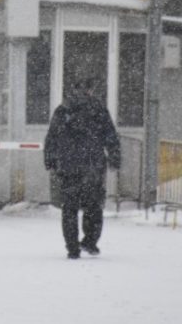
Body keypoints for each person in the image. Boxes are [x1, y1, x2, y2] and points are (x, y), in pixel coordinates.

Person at [43, 79, 121, 259]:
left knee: (69, 208)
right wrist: (114, 158)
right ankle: (90, 241)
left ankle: (72, 247)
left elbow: (52, 137)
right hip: (93, 166)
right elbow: (111, 136)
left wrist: (50, 160)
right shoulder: (99, 110)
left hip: (68, 167)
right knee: (93, 206)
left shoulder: (63, 110)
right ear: (91, 90)